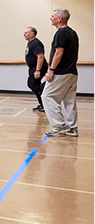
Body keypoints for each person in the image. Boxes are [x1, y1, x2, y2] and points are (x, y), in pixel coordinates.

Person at [42, 8, 79, 137]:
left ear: (59, 18)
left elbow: (59, 52)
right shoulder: (73, 33)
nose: (50, 18)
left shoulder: (61, 33)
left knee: (46, 96)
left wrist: (51, 70)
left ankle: (59, 126)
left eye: (52, 16)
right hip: (72, 73)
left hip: (61, 72)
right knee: (69, 100)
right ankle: (72, 128)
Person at [23, 27, 47, 112]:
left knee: (32, 84)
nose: (24, 35)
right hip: (33, 68)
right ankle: (42, 104)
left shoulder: (36, 43)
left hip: (38, 67)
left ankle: (45, 102)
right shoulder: (30, 43)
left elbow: (40, 56)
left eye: (26, 33)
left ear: (32, 34)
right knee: (35, 85)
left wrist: (37, 70)